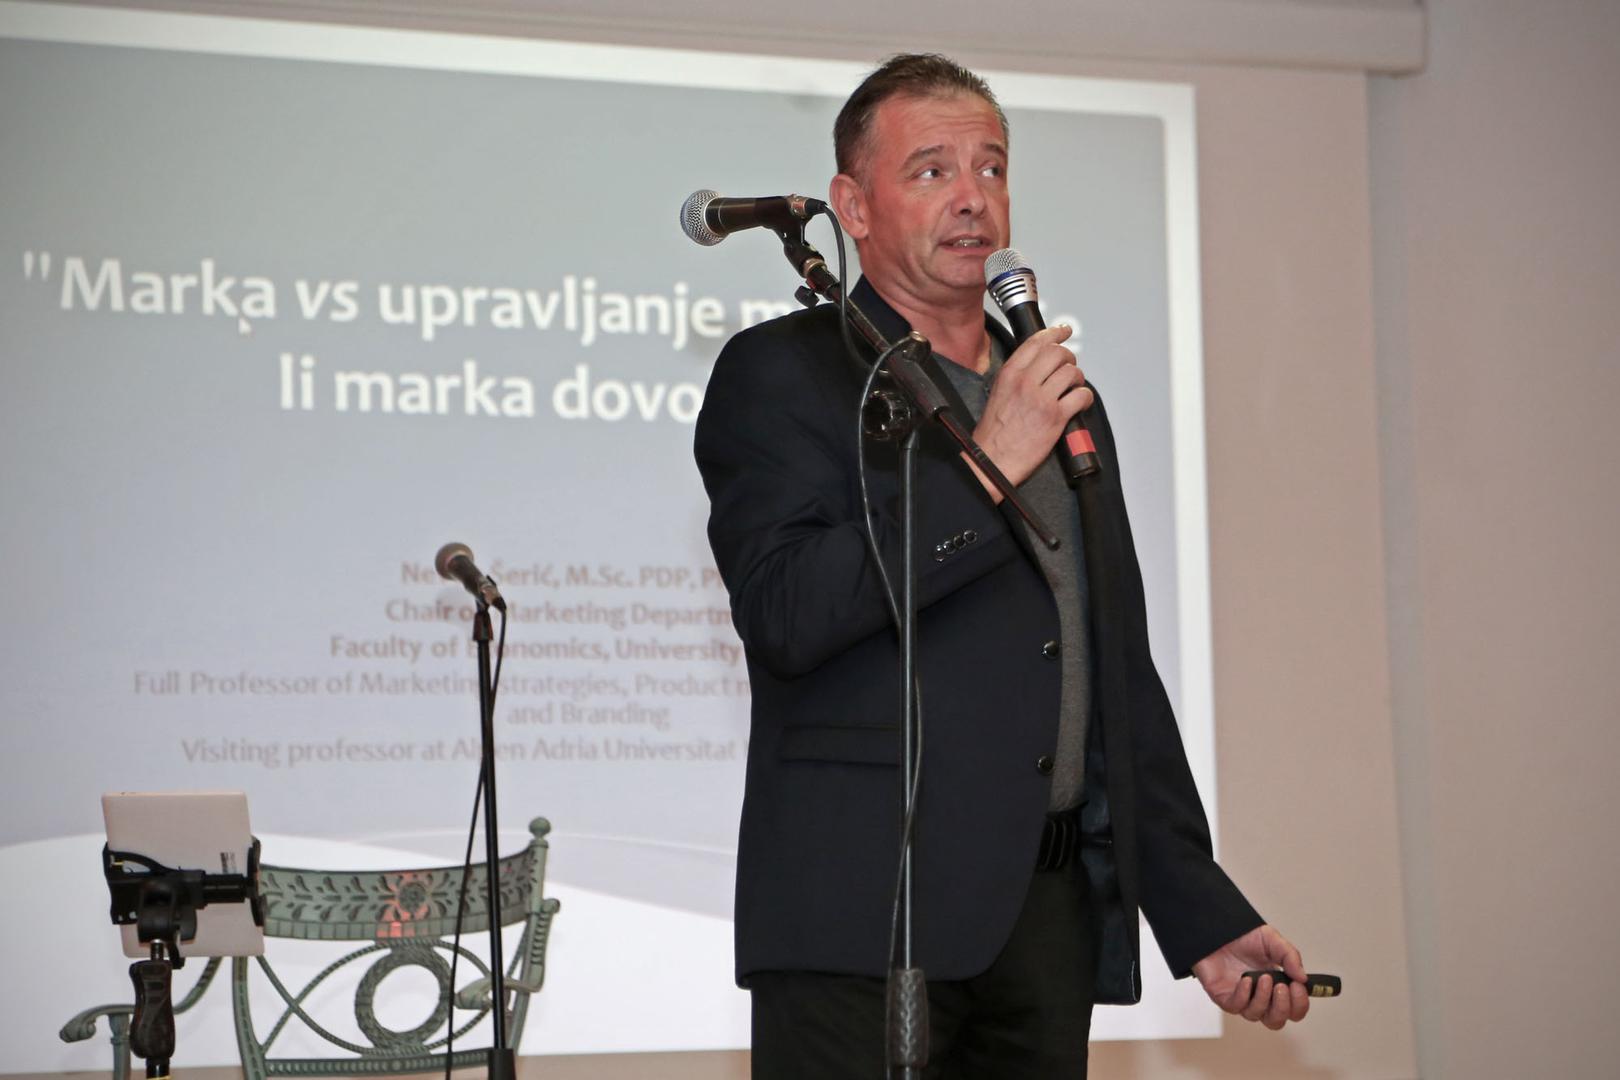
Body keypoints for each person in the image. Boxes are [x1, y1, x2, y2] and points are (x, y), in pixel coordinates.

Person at [693, 53, 1311, 1078]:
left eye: (991, 167)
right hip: (862, 921)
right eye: (932, 170)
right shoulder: (785, 373)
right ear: (852, 205)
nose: (973, 197)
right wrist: (985, 464)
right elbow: (789, 613)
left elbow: (1111, 667)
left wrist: (1199, 911)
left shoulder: (1055, 398)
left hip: (1041, 922)